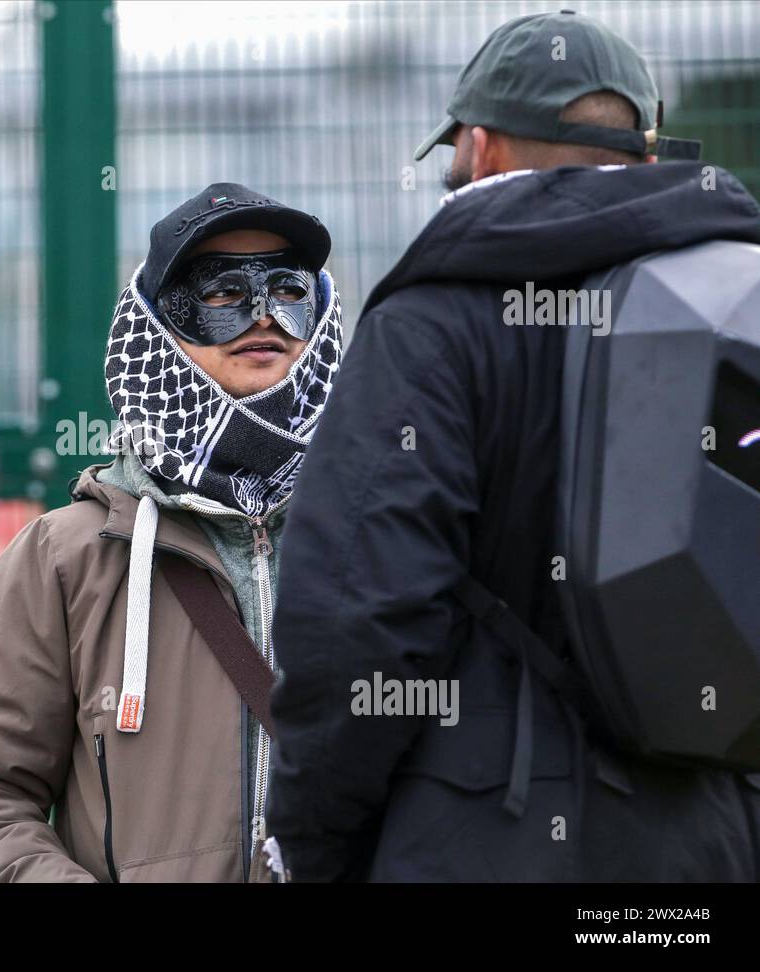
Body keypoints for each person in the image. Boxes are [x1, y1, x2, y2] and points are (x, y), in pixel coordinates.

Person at [267, 10, 760, 881]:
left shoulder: (431, 322)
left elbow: (357, 623)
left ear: (483, 149)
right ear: (645, 157)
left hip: (485, 836)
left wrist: (313, 842)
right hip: (706, 838)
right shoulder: (741, 303)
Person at [0, 183, 343, 881]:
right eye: (220, 291)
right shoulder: (65, 558)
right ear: (156, 331)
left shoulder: (387, 534)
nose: (264, 313)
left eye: (290, 287)